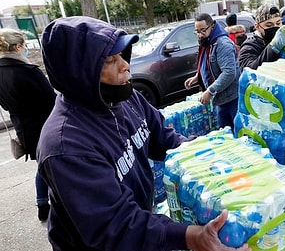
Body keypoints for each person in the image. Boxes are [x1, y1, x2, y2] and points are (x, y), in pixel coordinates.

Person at [38, 16, 250, 251]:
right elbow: (116, 225)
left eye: (122, 55)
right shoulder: (66, 145)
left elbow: (163, 138)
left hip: (135, 219)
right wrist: (193, 236)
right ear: (79, 74)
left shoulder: (126, 98)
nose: (125, 66)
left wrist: (207, 153)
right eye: (110, 60)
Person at [0, 28, 56, 222]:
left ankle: (42, 203)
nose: (25, 49)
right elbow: (51, 100)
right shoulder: (28, 71)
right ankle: (54, 204)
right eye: (23, 45)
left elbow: (5, 104)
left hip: (24, 129)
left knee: (42, 165)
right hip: (46, 124)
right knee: (53, 165)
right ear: (17, 47)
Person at [184, 13, 240, 130]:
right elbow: (208, 64)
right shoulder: (208, 42)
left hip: (231, 99)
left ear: (212, 26)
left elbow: (229, 73)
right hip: (221, 100)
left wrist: (210, 91)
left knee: (233, 133)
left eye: (203, 30)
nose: (200, 35)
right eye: (197, 32)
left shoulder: (222, 44)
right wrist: (197, 77)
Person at [238, 4, 285, 70]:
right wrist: (273, 48)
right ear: (257, 27)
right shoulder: (249, 46)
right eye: (269, 25)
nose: (275, 27)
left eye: (278, 23)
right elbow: (249, 70)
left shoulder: (284, 39)